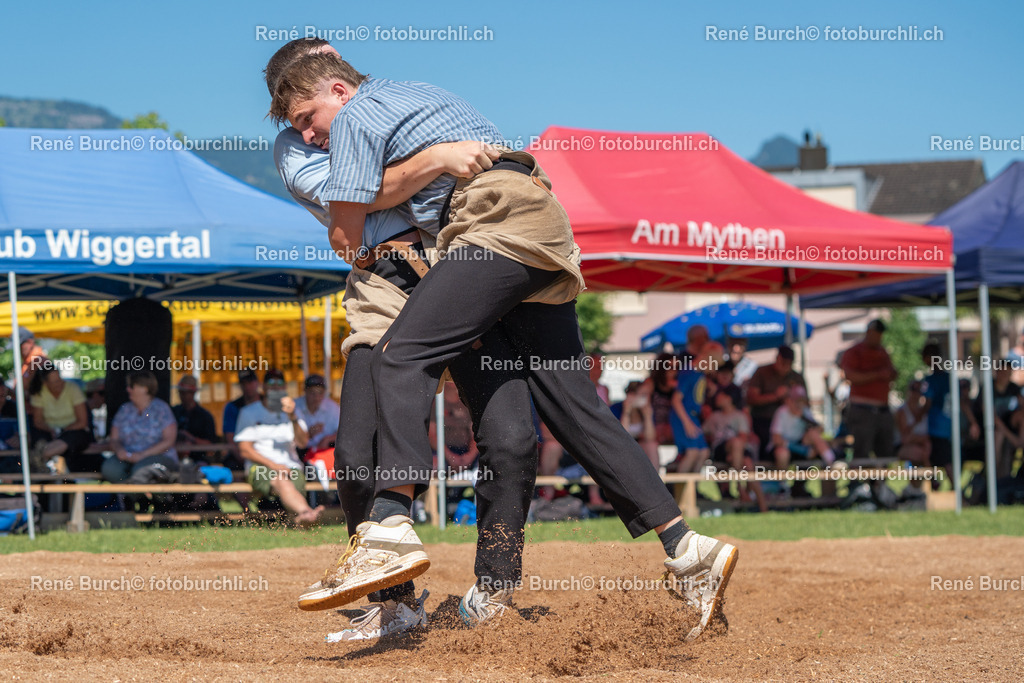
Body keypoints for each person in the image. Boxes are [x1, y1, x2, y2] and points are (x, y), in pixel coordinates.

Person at [270, 47, 737, 640]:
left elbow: (346, 226)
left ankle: (389, 522)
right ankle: (687, 546)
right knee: (572, 405)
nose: (308, 135)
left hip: (489, 230)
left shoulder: (360, 114)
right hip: (539, 230)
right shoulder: (419, 93)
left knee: (402, 355)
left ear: (338, 88)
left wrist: (379, 225)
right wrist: (436, 158)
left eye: (309, 117)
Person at [234, 369, 323, 526]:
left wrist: (293, 417)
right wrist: (274, 466)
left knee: (286, 482)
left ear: (285, 388)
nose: (275, 387)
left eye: (280, 384)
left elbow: (302, 443)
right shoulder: (249, 412)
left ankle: (299, 518)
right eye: (271, 383)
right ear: (263, 387)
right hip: (259, 468)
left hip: (292, 468)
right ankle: (306, 513)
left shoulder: (295, 412)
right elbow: (245, 449)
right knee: (281, 480)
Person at [103, 371, 179, 483]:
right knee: (110, 469)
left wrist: (142, 455)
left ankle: (136, 498)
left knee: (141, 470)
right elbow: (114, 439)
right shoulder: (124, 410)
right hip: (127, 458)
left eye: (132, 386)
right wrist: (120, 450)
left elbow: (169, 440)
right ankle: (126, 496)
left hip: (157, 456)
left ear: (145, 388)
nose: (128, 389)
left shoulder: (162, 409)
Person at [840, 319, 898, 460]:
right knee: (861, 451)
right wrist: (877, 374)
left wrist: (890, 374)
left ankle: (878, 482)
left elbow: (892, 372)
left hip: (882, 410)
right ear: (868, 332)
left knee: (886, 450)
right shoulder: (855, 351)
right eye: (876, 334)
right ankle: (858, 482)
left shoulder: (883, 352)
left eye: (880, 334)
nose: (878, 337)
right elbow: (850, 376)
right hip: (862, 409)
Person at [28, 359, 98, 472]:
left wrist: (62, 430)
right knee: (38, 435)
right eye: (55, 382)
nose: (60, 383)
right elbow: (38, 421)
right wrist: (52, 430)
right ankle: (46, 457)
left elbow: (82, 422)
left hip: (73, 434)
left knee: (72, 438)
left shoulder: (72, 389)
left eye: (59, 379)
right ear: (45, 383)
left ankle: (45, 454)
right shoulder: (40, 393)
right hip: (50, 433)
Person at [703, 389, 766, 512]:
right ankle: (742, 490)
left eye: (721, 395)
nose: (717, 398)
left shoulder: (739, 416)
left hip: (737, 452)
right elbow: (702, 433)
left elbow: (743, 438)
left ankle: (757, 502)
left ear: (729, 399)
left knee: (746, 461)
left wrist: (733, 455)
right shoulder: (714, 417)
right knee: (739, 450)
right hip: (721, 451)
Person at [746, 345, 806, 461]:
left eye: (789, 364)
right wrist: (775, 396)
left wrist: (791, 401)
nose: (785, 367)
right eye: (783, 363)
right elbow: (751, 398)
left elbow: (805, 402)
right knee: (764, 450)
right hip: (764, 421)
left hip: (790, 423)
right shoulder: (762, 372)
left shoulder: (796, 377)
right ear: (777, 359)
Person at [768, 386, 836, 468]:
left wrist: (802, 417)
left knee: (814, 434)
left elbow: (821, 429)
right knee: (782, 453)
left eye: (801, 401)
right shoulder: (781, 412)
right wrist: (803, 451)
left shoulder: (805, 411)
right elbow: (776, 439)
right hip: (785, 448)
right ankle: (783, 480)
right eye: (796, 401)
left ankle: (832, 463)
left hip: (800, 445)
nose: (799, 404)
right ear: (788, 400)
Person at [920, 343, 959, 483]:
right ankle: (935, 485)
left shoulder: (930, 380)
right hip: (950, 426)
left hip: (937, 427)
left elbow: (927, 404)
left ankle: (956, 492)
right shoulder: (950, 378)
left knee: (943, 460)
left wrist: (917, 417)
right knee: (937, 458)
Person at [670, 354, 710, 473]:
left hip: (693, 417)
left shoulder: (700, 374)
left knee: (704, 452)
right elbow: (676, 400)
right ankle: (680, 491)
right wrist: (687, 423)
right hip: (684, 416)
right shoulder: (688, 372)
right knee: (692, 452)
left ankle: (693, 489)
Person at [609, 379, 659, 469]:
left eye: (649, 395)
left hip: (639, 447)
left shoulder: (647, 410)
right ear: (631, 395)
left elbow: (650, 438)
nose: (647, 398)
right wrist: (626, 412)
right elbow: (622, 436)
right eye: (643, 395)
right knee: (624, 448)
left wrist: (648, 417)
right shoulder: (616, 409)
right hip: (620, 448)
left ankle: (654, 480)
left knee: (652, 446)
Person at [221, 368, 262, 470]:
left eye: (250, 382)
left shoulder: (266, 404)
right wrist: (243, 458)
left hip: (264, 454)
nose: (247, 386)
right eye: (244, 383)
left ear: (257, 383)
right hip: (242, 456)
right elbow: (230, 437)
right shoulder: (232, 407)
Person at [294, 374, 340, 454]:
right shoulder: (295, 406)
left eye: (320, 393)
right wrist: (308, 435)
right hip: (301, 452)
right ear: (305, 391)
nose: (316, 397)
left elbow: (343, 432)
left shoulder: (332, 407)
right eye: (312, 393)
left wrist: (328, 439)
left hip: (326, 451)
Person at [171, 375, 217, 451]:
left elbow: (210, 444)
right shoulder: (173, 412)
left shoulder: (205, 416)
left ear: (193, 393)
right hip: (175, 457)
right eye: (181, 392)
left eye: (186, 393)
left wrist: (191, 438)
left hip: (198, 458)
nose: (183, 396)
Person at [895, 380, 931, 467]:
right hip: (903, 448)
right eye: (913, 389)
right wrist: (916, 422)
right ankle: (932, 477)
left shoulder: (924, 412)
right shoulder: (902, 411)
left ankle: (930, 477)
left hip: (922, 446)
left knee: (926, 450)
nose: (916, 393)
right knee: (921, 453)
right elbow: (905, 438)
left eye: (919, 390)